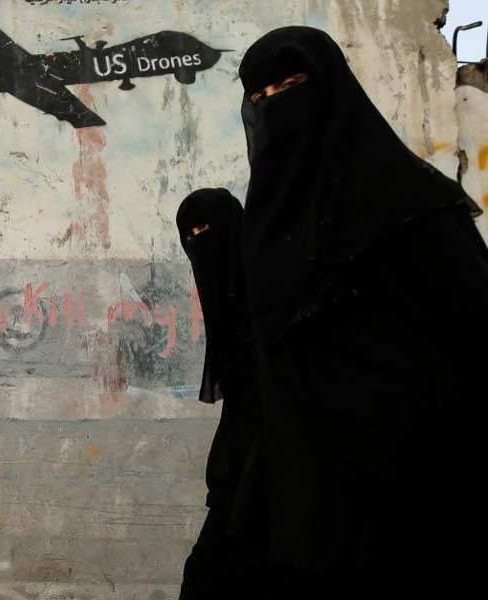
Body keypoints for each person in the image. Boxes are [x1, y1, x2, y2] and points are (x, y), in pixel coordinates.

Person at [237, 26, 488, 598]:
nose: (275, 106)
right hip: (314, 507)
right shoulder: (267, 229)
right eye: (259, 96)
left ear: (332, 89)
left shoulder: (412, 206)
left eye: (290, 86)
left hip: (417, 495)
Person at [175, 189, 267, 599]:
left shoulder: (266, 295)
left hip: (269, 482)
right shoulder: (231, 306)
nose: (199, 242)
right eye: (190, 236)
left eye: (206, 230)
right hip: (243, 480)